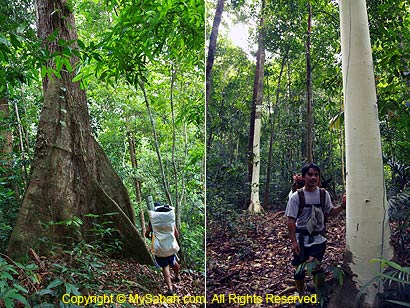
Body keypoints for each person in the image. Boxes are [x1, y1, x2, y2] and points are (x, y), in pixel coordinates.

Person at [285, 163, 346, 305]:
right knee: (299, 270)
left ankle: (319, 296)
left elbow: (330, 212)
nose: (313, 177)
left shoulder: (324, 194)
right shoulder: (296, 197)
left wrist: (342, 206)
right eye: (310, 174)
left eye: (316, 174)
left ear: (318, 177)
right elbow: (290, 221)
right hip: (301, 239)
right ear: (304, 176)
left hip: (319, 239)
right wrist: (293, 241)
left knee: (315, 267)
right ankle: (301, 295)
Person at [145, 202, 181, 295]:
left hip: (159, 248)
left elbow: (146, 234)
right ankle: (177, 276)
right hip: (170, 245)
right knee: (173, 262)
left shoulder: (153, 221)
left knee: (165, 267)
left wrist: (151, 236)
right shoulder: (169, 220)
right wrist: (174, 241)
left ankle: (170, 289)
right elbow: (176, 233)